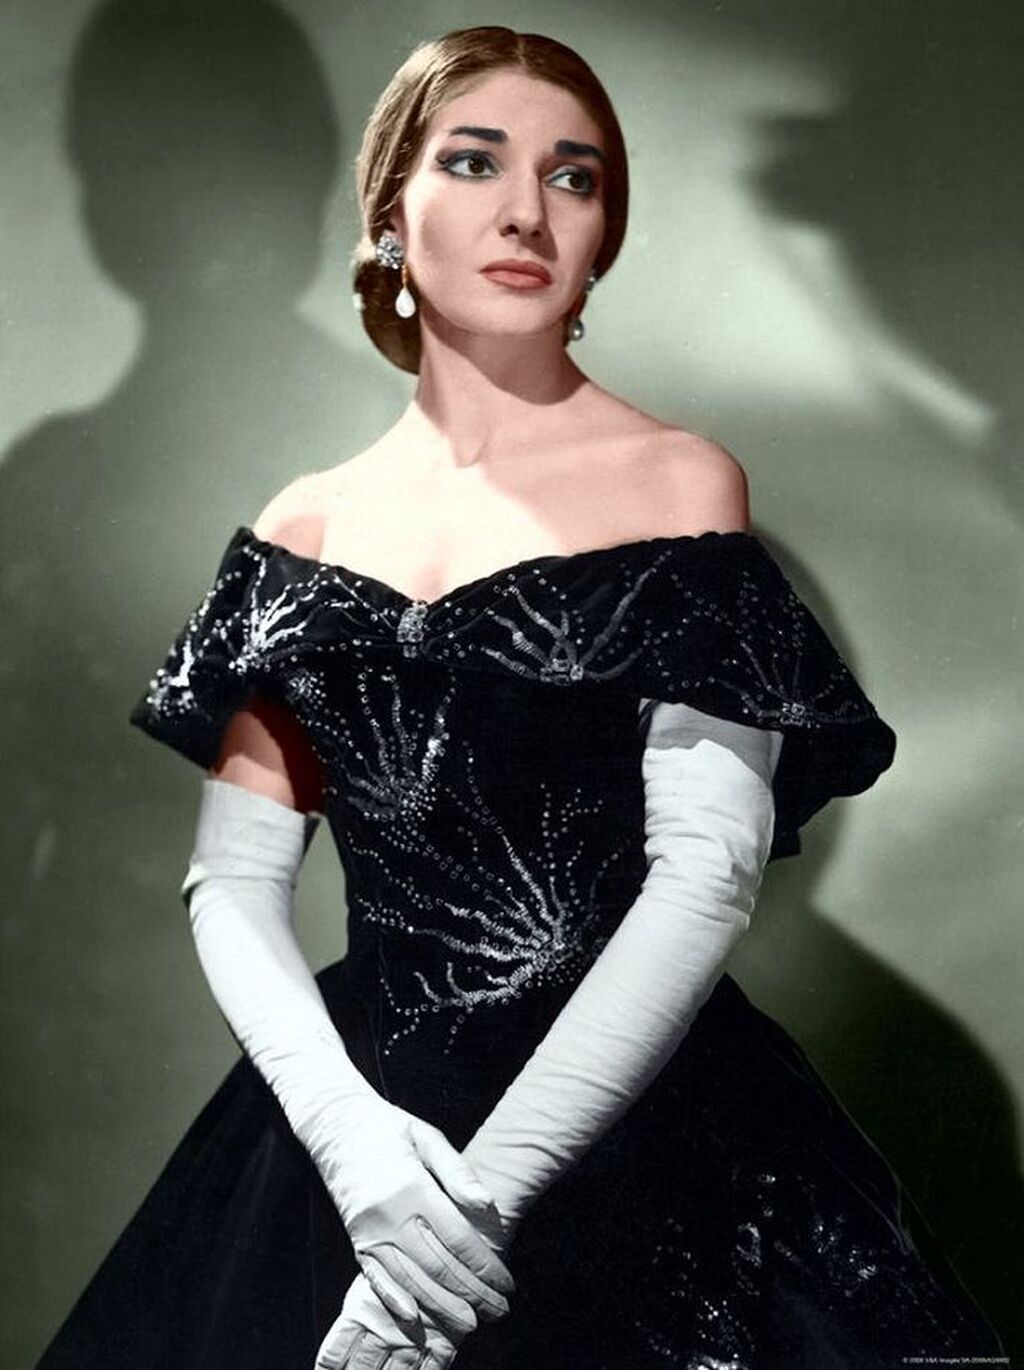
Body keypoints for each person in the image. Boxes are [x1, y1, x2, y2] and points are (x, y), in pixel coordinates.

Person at [36, 25, 1005, 1370]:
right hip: (350, 1133)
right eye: (474, 161)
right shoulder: (303, 528)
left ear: (604, 234)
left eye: (574, 176)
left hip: (635, 1134)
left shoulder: (681, 486)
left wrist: (454, 1231)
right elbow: (235, 884)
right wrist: (363, 1159)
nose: (526, 210)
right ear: (390, 209)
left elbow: (707, 874)